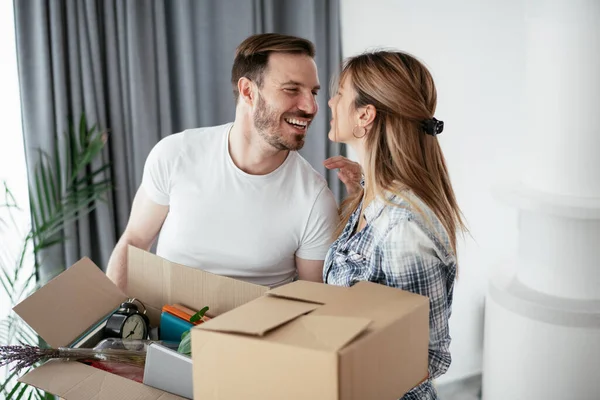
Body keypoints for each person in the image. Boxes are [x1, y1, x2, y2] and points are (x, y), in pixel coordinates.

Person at [106, 33, 353, 291]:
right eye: (292, 89)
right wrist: (115, 321)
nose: (311, 106)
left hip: (255, 331)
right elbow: (134, 242)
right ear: (248, 91)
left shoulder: (314, 199)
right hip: (164, 327)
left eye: (313, 92)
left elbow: (311, 301)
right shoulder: (175, 154)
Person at [323, 50, 467, 400]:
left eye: (340, 93)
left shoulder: (404, 228)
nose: (330, 102)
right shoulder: (376, 201)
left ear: (365, 115)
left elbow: (425, 356)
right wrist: (363, 188)